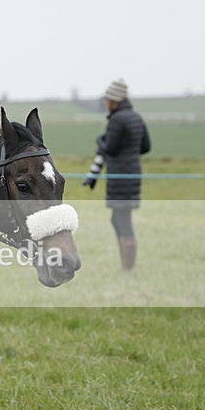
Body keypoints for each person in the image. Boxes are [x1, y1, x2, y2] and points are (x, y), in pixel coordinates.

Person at [83, 78, 151, 270]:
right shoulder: (136, 117)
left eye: (107, 99)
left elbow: (110, 149)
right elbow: (145, 147)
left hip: (120, 176)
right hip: (133, 173)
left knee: (122, 220)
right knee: (118, 218)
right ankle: (126, 266)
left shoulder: (117, 119)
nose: (105, 103)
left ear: (114, 100)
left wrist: (100, 140)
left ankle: (127, 268)